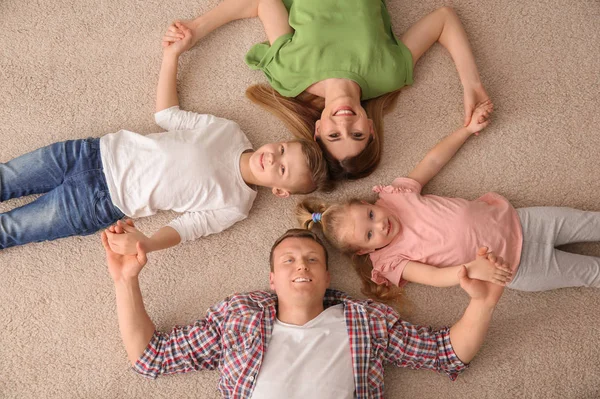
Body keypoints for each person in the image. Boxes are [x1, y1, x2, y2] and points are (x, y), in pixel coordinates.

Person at [0, 23, 328, 252]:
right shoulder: (229, 131)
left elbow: (187, 229)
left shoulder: (237, 204)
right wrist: (172, 56)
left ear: (280, 191)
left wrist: (147, 242)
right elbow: (167, 116)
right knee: (7, 177)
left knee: (12, 229)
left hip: (100, 202)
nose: (272, 158)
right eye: (282, 149)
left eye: (282, 169)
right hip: (91, 153)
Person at [104, 227, 505, 399]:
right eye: (289, 261)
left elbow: (446, 352)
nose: (301, 266)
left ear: (327, 276)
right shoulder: (239, 316)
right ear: (272, 280)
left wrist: (482, 303)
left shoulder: (364, 321)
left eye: (312, 259)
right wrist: (126, 281)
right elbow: (149, 356)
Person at [297, 98, 600, 303]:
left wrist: (466, 130)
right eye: (369, 234)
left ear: (370, 203)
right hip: (516, 267)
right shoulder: (389, 260)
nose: (380, 225)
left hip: (522, 221)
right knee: (589, 273)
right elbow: (433, 276)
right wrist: (469, 271)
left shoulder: (395, 197)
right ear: (366, 249)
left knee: (589, 222)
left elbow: (432, 162)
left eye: (372, 216)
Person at [163, 1, 491, 180]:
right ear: (371, 129)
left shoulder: (289, 76)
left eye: (334, 136)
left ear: (318, 129)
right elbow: (444, 18)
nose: (344, 124)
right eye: (357, 135)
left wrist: (197, 28)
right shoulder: (389, 74)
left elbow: (264, 3)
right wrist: (471, 84)